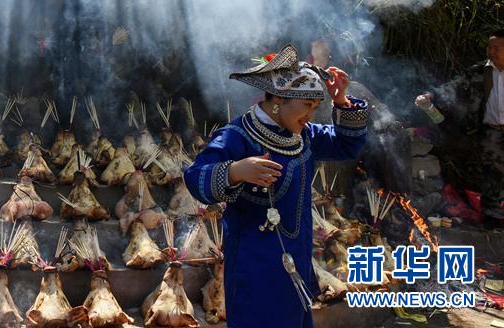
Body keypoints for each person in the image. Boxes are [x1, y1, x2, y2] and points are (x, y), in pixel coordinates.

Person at [184, 44, 371, 328]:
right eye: (307, 106)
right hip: (253, 268)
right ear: (279, 100)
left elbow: (346, 146)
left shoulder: (305, 135)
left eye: (315, 107)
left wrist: (341, 101)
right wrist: (236, 171)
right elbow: (196, 177)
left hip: (296, 261)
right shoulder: (238, 135)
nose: (311, 116)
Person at [413, 29, 504, 222]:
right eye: (490, 47)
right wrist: (430, 96)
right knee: (492, 174)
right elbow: (451, 88)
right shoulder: (478, 72)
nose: (491, 51)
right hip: (491, 131)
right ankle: (492, 217)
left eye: (497, 48)